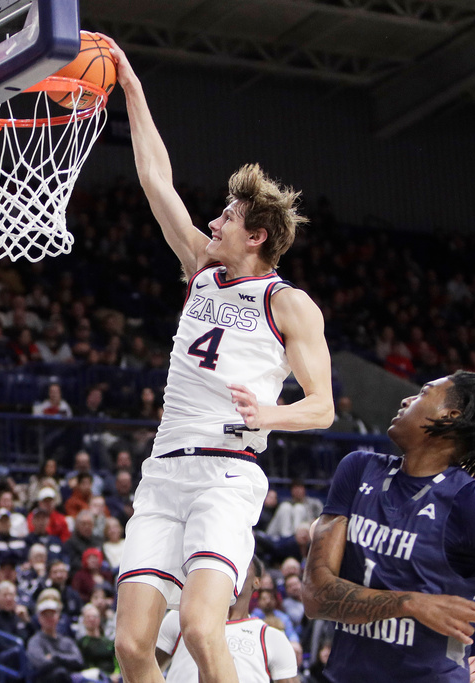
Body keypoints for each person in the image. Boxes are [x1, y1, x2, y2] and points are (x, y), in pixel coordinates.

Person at [107, 38, 335, 683]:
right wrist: (130, 87)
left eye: (229, 216)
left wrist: (270, 411)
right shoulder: (200, 269)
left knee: (205, 628)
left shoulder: (289, 304)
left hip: (226, 475)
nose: (214, 219)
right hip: (164, 473)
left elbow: (321, 407)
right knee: (129, 646)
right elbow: (156, 180)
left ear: (257, 236)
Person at [302, 368, 475, 683]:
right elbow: (316, 595)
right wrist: (410, 603)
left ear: (450, 417)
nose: (406, 399)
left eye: (423, 393)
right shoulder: (357, 470)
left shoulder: (471, 504)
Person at [155, 556, 298, 683]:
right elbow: (145, 669)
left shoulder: (270, 637)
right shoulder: (182, 616)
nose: (235, 568)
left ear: (257, 582)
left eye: (243, 564)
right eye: (230, 562)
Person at [26, 598, 84, 683]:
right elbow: (40, 664)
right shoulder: (35, 641)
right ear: (39, 619)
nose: (49, 618)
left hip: (70, 678)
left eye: (52, 615)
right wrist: (67, 661)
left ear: (58, 617)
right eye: (45, 615)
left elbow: (78, 660)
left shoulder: (67, 641)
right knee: (60, 673)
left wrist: (55, 657)